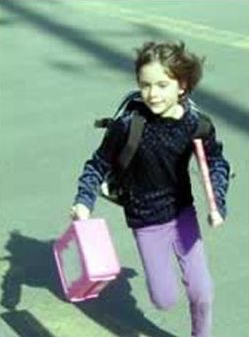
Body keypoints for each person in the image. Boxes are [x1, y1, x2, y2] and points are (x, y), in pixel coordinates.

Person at [71, 41, 230, 337]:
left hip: (183, 213)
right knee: (164, 299)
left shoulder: (196, 125)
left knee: (202, 292)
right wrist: (83, 201)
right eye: (145, 85)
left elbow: (217, 164)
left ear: (181, 85)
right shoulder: (129, 125)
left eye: (162, 84)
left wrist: (217, 201)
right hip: (146, 220)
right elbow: (97, 164)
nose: (152, 93)